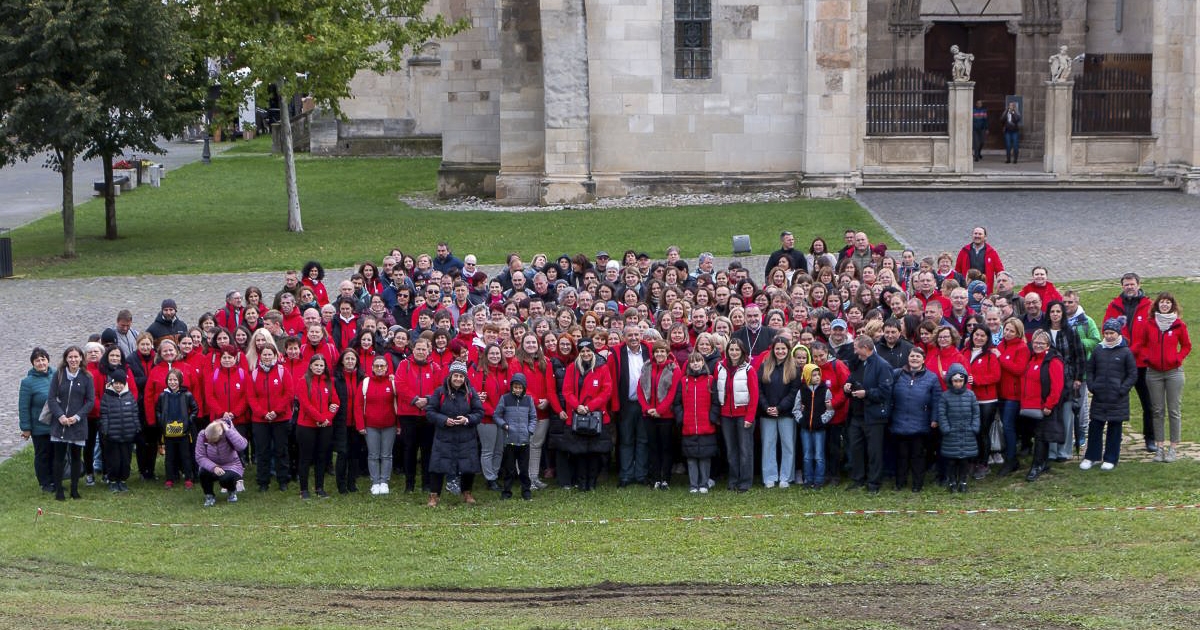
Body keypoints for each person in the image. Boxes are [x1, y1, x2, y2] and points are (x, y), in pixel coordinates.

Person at [1103, 273, 1155, 451]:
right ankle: (1114, 439)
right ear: (1122, 286)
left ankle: (1150, 438)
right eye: (1126, 284)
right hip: (1119, 362)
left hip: (1141, 363)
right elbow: (1107, 328)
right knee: (1115, 402)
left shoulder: (1149, 306)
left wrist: (1133, 350)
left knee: (1148, 403)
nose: (1129, 287)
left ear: (1139, 285)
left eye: (1132, 284)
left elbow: (1151, 334)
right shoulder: (1114, 305)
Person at [1139, 292, 1191, 463]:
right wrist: (1148, 357)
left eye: (1168, 303)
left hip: (1174, 373)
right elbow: (1143, 344)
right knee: (1157, 410)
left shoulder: (1178, 325)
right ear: (1157, 305)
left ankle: (1173, 448)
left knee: (1174, 410)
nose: (1165, 305)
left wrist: (1177, 358)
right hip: (1154, 373)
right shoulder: (1150, 324)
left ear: (1172, 305)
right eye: (1162, 302)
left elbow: (1186, 346)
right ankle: (1159, 447)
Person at [425, 361, 484, 506]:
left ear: (465, 378)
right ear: (450, 376)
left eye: (461, 376)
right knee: (438, 465)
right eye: (456, 375)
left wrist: (467, 419)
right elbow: (430, 412)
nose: (458, 379)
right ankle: (434, 495)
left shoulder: (471, 392)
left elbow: (479, 412)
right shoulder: (440, 392)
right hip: (444, 436)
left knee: (468, 466)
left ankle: (467, 493)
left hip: (466, 436)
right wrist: (443, 420)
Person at [1081, 318, 1137, 470]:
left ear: (1118, 333)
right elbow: (1090, 368)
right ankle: (1091, 456)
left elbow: (1132, 374)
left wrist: (1122, 389)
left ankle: (1111, 458)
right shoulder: (1099, 349)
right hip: (1100, 396)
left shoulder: (1125, 351)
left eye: (1112, 333)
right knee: (1095, 426)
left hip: (1117, 398)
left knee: (1114, 428)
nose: (1109, 336)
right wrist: (1092, 386)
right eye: (1106, 333)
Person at [562, 338, 613, 491]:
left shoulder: (602, 367)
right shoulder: (572, 368)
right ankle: (582, 481)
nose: (586, 354)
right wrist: (577, 406)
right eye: (583, 351)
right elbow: (567, 391)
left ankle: (592, 481)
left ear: (593, 351)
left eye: (588, 351)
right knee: (580, 452)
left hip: (596, 415)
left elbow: (607, 390)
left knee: (594, 451)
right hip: (578, 414)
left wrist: (590, 406)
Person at [845, 336, 894, 493]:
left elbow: (886, 391)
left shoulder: (882, 366)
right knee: (856, 448)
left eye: (856, 347)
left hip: (873, 416)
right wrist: (848, 386)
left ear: (866, 347)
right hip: (857, 415)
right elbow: (853, 379)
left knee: (874, 451)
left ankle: (874, 483)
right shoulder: (858, 363)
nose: (854, 350)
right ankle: (858, 479)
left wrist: (866, 393)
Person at [889, 348, 940, 492]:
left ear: (923, 359)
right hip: (899, 421)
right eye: (912, 356)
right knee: (901, 455)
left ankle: (917, 484)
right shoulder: (897, 374)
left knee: (918, 456)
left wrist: (934, 419)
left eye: (918, 356)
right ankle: (900, 482)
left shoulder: (932, 377)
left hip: (920, 423)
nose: (915, 359)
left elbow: (936, 400)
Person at [47, 346, 94, 501]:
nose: (73, 360)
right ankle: (59, 489)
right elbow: (52, 398)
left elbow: (90, 401)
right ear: (66, 359)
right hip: (60, 423)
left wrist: (77, 417)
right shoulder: (58, 375)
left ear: (81, 358)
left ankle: (74, 489)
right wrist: (60, 416)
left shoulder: (87, 377)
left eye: (76, 357)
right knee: (59, 457)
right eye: (70, 357)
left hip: (77, 424)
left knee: (75, 457)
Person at [609, 324, 650, 487]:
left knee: (643, 440)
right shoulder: (616, 353)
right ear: (624, 337)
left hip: (645, 403)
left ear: (641, 335)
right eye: (630, 335)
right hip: (626, 403)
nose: (633, 338)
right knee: (626, 440)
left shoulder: (648, 350)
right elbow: (611, 379)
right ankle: (626, 475)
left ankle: (641, 475)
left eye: (636, 334)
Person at [1022, 330, 1066, 482]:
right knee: (1037, 435)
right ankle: (1043, 462)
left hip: (1044, 406)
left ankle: (1037, 465)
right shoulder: (1033, 358)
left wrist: (1049, 405)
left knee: (1041, 436)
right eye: (1035, 342)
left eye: (1041, 343)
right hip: (1030, 405)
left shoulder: (1053, 361)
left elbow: (1057, 386)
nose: (1038, 345)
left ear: (1048, 345)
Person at [715, 338, 758, 493]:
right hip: (726, 415)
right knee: (731, 450)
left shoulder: (748, 369)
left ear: (742, 352)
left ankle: (745, 482)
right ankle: (733, 480)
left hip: (743, 415)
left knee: (745, 450)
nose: (734, 353)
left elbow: (754, 395)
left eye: (737, 350)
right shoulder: (719, 367)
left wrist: (749, 417)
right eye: (731, 349)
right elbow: (716, 391)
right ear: (727, 351)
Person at [638, 339, 682, 490]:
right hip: (648, 415)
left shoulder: (674, 369)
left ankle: (666, 478)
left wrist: (660, 410)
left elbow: (672, 393)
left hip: (666, 416)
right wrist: (647, 408)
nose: (659, 354)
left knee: (666, 448)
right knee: (653, 447)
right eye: (657, 351)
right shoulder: (647, 367)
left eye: (662, 351)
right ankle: (656, 477)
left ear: (667, 353)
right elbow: (640, 389)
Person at [296, 354, 340, 499]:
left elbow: (335, 403)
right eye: (316, 365)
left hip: (325, 426)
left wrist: (327, 418)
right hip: (306, 426)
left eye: (321, 366)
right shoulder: (303, 382)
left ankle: (319, 488)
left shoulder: (329, 382)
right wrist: (321, 418)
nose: (319, 368)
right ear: (310, 366)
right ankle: (304, 490)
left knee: (322, 457)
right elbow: (306, 405)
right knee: (306, 458)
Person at [756, 337, 797, 488]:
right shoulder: (764, 366)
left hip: (786, 413)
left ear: (788, 350)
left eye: (783, 348)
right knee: (768, 445)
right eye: (777, 348)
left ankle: (786, 476)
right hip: (767, 413)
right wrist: (766, 407)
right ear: (773, 350)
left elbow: (793, 393)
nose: (780, 351)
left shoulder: (794, 368)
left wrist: (780, 408)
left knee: (788, 445)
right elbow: (758, 390)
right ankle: (770, 476)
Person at [675, 352, 718, 493]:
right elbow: (677, 403)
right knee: (691, 457)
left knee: (705, 457)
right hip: (689, 426)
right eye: (692, 361)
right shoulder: (683, 381)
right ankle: (694, 484)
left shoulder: (710, 380)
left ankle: (704, 483)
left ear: (702, 363)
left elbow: (716, 402)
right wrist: (682, 417)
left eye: (698, 361)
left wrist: (712, 417)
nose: (695, 364)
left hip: (706, 425)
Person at [358, 355, 399, 495]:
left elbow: (398, 404)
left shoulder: (393, 382)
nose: (380, 368)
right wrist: (360, 425)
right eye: (377, 366)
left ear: (387, 368)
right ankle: (375, 482)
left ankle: (384, 481)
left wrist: (398, 425)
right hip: (370, 425)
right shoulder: (366, 383)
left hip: (390, 425)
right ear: (372, 368)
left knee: (387, 455)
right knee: (373, 455)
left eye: (382, 366)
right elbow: (358, 405)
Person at [493, 372, 538, 500]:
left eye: (520, 387)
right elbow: (497, 415)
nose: (517, 389)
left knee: (524, 470)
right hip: (509, 441)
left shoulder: (528, 400)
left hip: (524, 441)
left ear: (524, 388)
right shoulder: (505, 398)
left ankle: (526, 491)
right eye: (515, 387)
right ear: (512, 387)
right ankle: (507, 492)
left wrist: (529, 430)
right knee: (509, 469)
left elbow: (533, 417)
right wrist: (504, 426)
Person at [938, 363, 980, 493]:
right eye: (955, 380)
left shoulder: (971, 395)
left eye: (961, 380)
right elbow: (942, 414)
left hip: (967, 432)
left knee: (964, 461)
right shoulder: (945, 396)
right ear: (950, 380)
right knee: (951, 461)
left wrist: (974, 427)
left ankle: (963, 481)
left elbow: (976, 413)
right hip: (951, 433)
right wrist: (945, 428)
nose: (958, 383)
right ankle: (952, 482)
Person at [18, 348, 55, 492]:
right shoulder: (27, 382)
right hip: (39, 427)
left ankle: (56, 479)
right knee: (43, 454)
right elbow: (23, 407)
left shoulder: (56, 376)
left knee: (56, 453)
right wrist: (26, 428)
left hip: (56, 424)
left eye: (43, 359)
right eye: (37, 360)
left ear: (48, 360)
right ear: (33, 363)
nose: (41, 363)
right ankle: (45, 482)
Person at [156, 368, 199, 490]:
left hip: (184, 433)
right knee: (169, 457)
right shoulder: (163, 396)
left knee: (185, 456)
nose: (172, 382)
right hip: (168, 433)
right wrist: (162, 421)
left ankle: (188, 479)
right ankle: (169, 479)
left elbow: (195, 409)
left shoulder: (187, 395)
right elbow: (158, 410)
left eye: (175, 380)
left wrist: (188, 421)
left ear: (180, 381)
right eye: (170, 379)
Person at [99, 370, 140, 493]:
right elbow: (104, 415)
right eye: (116, 383)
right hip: (112, 436)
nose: (118, 386)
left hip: (127, 435)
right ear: (111, 383)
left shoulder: (129, 396)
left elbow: (134, 413)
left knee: (126, 460)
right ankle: (112, 481)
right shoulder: (106, 397)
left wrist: (136, 427)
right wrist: (105, 430)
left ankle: (122, 480)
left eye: (121, 383)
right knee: (114, 461)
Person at [794, 362, 833, 490]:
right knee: (806, 455)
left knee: (819, 456)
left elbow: (830, 409)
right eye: (813, 375)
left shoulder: (825, 391)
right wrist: (801, 420)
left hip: (819, 429)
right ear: (807, 376)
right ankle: (808, 479)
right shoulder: (802, 391)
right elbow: (796, 408)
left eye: (818, 374)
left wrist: (823, 420)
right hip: (805, 428)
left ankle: (819, 481)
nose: (817, 377)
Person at [195, 417, 248, 507]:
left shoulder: (228, 432)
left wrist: (228, 431)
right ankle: (209, 495)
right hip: (212, 464)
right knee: (203, 473)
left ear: (220, 434)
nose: (210, 441)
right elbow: (200, 457)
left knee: (225, 479)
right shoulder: (202, 434)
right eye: (208, 440)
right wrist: (214, 467)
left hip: (232, 464)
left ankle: (231, 491)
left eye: (213, 440)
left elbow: (242, 446)